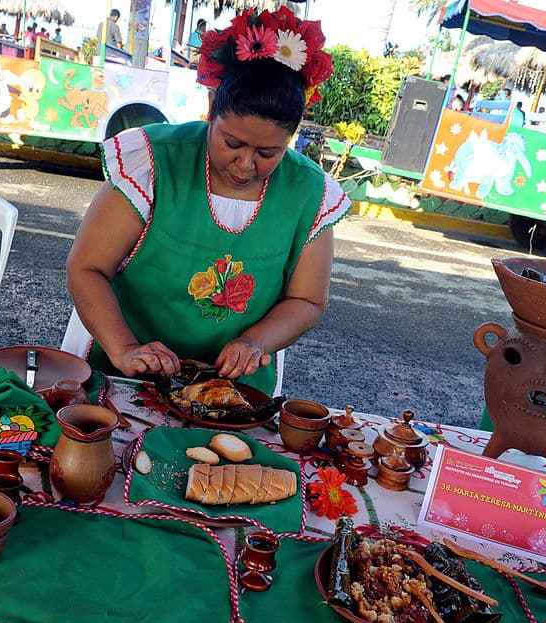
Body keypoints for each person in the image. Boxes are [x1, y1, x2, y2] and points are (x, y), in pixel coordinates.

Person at [65, 7, 349, 395]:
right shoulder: (153, 161)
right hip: (123, 375)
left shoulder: (311, 192)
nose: (246, 164)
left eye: (269, 152)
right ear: (213, 109)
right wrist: (126, 347)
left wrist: (255, 342)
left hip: (233, 390)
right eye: (232, 143)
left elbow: (307, 300)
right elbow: (87, 267)